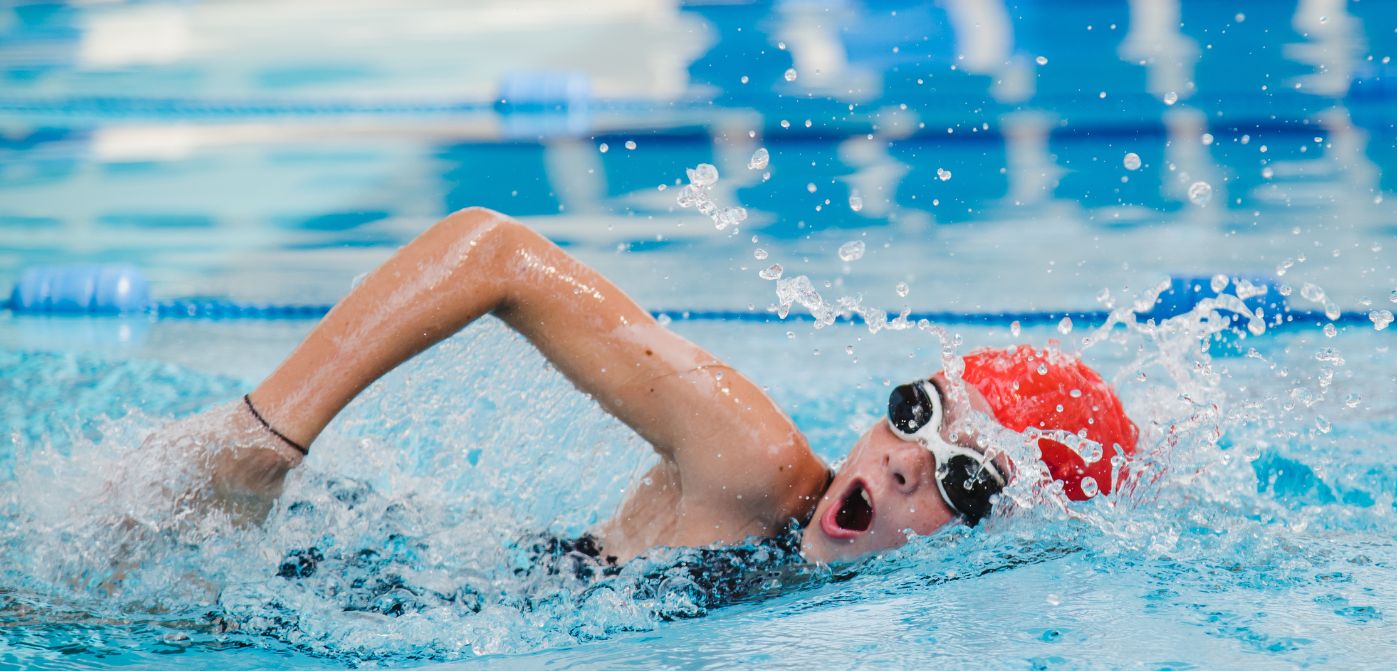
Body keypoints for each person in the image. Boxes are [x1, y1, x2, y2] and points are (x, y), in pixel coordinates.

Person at [176, 207, 1138, 570]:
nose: (900, 466)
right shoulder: (754, 463)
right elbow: (494, 250)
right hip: (294, 580)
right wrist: (266, 441)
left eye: (964, 480)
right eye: (914, 415)